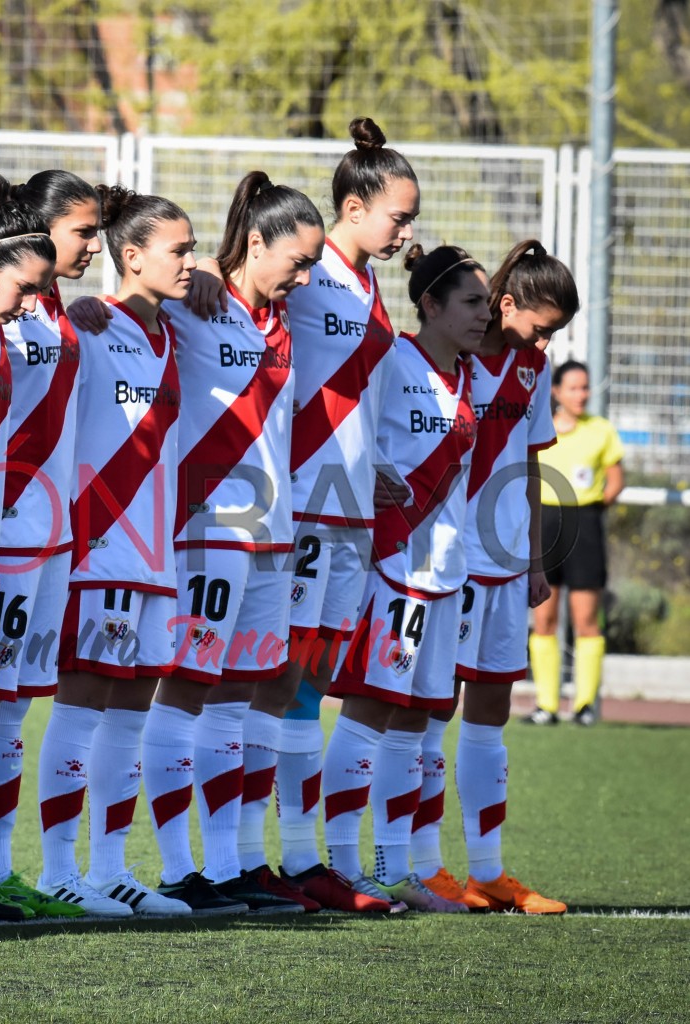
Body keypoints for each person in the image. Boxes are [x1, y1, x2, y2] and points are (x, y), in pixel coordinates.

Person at [235, 118, 419, 912]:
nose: (406, 231)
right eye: (397, 216)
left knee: (309, 681)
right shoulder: (309, 277)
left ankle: (302, 858)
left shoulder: (367, 283)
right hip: (302, 502)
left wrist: (371, 461)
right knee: (283, 679)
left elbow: (349, 394)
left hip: (347, 505)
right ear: (352, 206)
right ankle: (273, 857)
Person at [130, 171, 323, 915]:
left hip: (271, 533)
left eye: (310, 266)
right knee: (187, 689)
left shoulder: (278, 320)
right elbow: (129, 298)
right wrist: (202, 274)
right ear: (253, 243)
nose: (302, 278)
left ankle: (230, 863)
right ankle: (180, 869)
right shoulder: (195, 301)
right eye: (294, 262)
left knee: (249, 696)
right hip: (206, 528)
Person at [36, 184, 194, 917]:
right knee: (81, 704)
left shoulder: (172, 329)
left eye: (192, 251)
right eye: (178, 252)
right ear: (130, 258)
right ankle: (55, 868)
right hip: (99, 546)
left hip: (155, 552)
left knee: (131, 714)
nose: (190, 264)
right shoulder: (86, 325)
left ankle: (107, 869)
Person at [319, 244, 488, 913]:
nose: (483, 315)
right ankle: (339, 863)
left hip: (446, 571)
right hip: (394, 566)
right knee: (368, 712)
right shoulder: (392, 360)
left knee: (420, 723)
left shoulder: (470, 377)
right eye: (470, 303)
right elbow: (353, 436)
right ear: (429, 305)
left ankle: (398, 868)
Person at [413, 240, 577, 915]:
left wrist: (535, 560)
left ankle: (486, 871)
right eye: (541, 326)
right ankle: (423, 866)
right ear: (504, 304)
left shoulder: (533, 369)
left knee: (488, 719)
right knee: (428, 715)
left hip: (507, 566)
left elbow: (530, 468)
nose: (545, 340)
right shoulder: (451, 361)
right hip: (449, 563)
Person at [0, 171, 103, 909]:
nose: (94, 245)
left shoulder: (56, 309)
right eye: (82, 231)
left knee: (11, 707)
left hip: (47, 539)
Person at [528, 360, 625, 725]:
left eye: (586, 388)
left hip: (585, 524)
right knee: (544, 618)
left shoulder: (601, 431)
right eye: (574, 387)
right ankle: (546, 706)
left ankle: (585, 706)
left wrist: (596, 504)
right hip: (546, 523)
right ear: (555, 391)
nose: (581, 394)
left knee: (586, 619)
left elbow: (615, 480)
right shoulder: (541, 426)